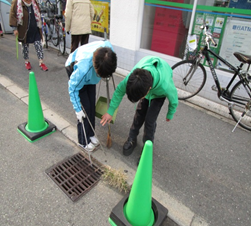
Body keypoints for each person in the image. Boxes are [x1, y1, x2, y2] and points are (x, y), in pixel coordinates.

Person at [100, 56, 178, 161]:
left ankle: (147, 148)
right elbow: (119, 91)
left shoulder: (165, 86)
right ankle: (132, 139)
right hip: (147, 83)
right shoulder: (133, 78)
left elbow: (174, 99)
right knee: (139, 114)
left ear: (148, 90)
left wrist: (170, 113)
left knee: (150, 121)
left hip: (158, 95)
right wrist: (110, 111)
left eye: (140, 97)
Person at [65, 40, 117, 151]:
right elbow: (73, 88)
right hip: (75, 67)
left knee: (91, 105)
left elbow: (106, 42)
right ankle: (83, 141)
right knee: (85, 108)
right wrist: (78, 109)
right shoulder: (82, 70)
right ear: (96, 68)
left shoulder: (109, 53)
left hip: (91, 75)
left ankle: (91, 133)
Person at [9, 0, 48, 71]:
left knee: (38, 44)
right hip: (24, 29)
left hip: (35, 28)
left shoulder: (34, 2)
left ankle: (41, 62)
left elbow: (38, 12)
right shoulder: (16, 2)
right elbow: (12, 15)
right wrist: (14, 28)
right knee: (25, 46)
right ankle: (26, 61)